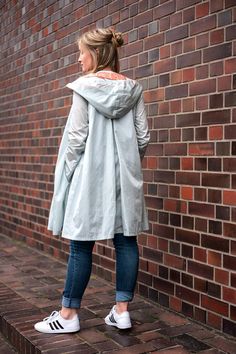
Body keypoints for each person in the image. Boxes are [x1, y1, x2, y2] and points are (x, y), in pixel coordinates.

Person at [34, 27, 150, 334]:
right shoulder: (134, 89)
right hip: (126, 178)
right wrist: (126, 163)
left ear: (95, 54)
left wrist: (67, 176)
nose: (78, 58)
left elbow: (75, 139)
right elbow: (143, 138)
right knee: (126, 241)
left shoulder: (84, 88)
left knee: (81, 246)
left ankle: (69, 314)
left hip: (89, 178)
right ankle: (122, 311)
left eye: (81, 52)